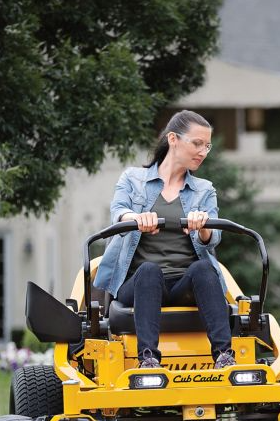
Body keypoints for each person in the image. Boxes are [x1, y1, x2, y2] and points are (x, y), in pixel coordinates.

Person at [93, 110, 236, 369]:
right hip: (139, 284)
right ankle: (148, 360)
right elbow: (118, 212)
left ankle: (225, 357)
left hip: (185, 285)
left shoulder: (204, 190)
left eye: (207, 146)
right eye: (197, 143)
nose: (203, 152)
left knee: (204, 268)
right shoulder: (132, 179)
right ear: (173, 139)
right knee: (149, 270)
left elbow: (213, 238)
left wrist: (202, 226)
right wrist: (134, 218)